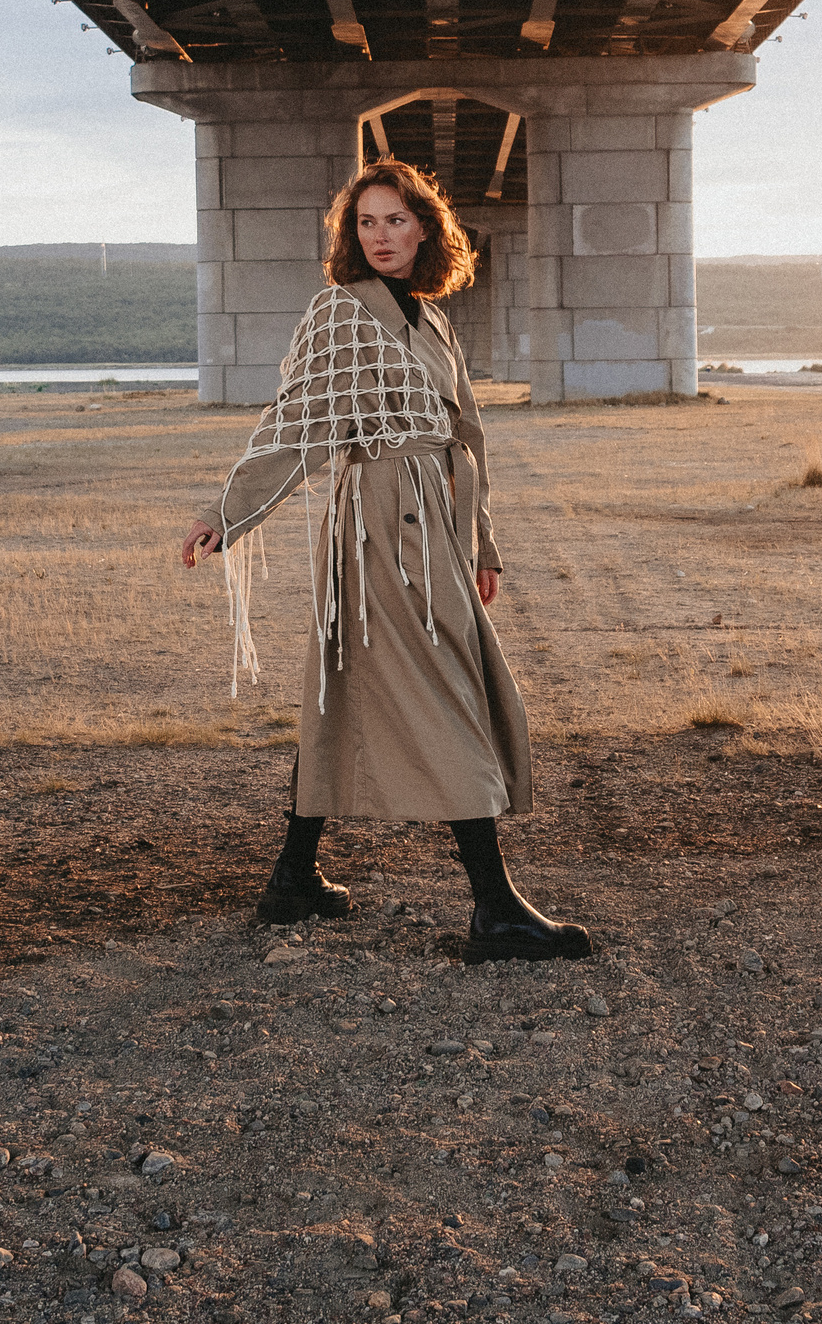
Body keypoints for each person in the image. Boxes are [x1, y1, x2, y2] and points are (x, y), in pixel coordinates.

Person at [179, 159, 591, 963]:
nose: (380, 236)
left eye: (396, 220)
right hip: (379, 523)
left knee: (343, 688)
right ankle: (494, 905)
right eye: (366, 222)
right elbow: (297, 424)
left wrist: (483, 544)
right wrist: (225, 515)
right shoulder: (340, 313)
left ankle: (293, 878)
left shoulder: (432, 318)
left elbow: (467, 431)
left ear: (426, 228)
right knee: (446, 692)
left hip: (437, 517)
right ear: (351, 235)